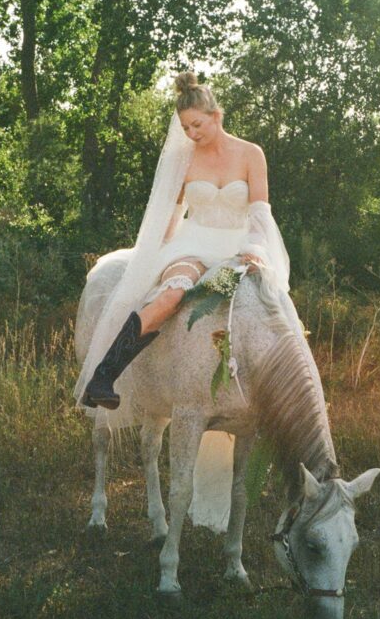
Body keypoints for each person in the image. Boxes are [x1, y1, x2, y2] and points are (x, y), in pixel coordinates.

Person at [74, 71, 294, 418]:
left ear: (215, 116)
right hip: (192, 244)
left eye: (197, 125)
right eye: (186, 128)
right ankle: (104, 377)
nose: (192, 134)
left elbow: (260, 211)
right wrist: (157, 251)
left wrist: (254, 248)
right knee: (171, 295)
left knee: (264, 306)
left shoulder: (251, 154)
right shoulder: (184, 159)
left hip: (237, 248)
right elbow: (172, 213)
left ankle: (273, 391)